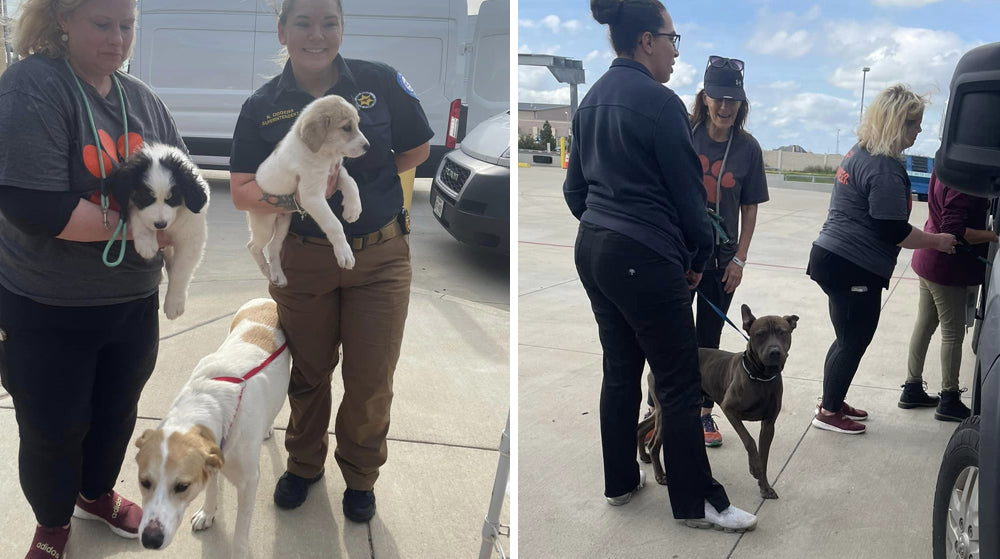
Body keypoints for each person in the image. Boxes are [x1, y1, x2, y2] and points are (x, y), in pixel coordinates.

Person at [228, 0, 432, 523]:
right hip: (306, 258)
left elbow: (416, 150)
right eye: (303, 22)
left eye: (329, 22)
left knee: (370, 378)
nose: (316, 35)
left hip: (381, 257)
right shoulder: (263, 105)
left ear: (342, 28)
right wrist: (300, 197)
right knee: (311, 373)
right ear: (282, 30)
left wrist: (349, 166)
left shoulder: (378, 82)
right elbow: (242, 191)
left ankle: (361, 477)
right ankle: (303, 465)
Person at [0, 0, 186, 557]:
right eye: (101, 24)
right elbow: (36, 208)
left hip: (130, 302)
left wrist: (171, 232)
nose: (116, 39)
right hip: (45, 305)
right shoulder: (33, 85)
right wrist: (143, 231)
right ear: (62, 19)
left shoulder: (143, 100)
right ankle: (53, 523)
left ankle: (96, 494)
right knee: (52, 429)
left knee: (114, 412)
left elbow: (182, 186)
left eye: (126, 25)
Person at [564, 0, 757, 531]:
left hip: (594, 248)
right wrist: (696, 260)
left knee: (620, 368)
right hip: (644, 256)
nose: (675, 51)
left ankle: (620, 482)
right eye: (673, 39)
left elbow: (574, 191)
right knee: (677, 379)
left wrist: (606, 226)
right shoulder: (661, 103)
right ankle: (699, 503)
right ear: (647, 40)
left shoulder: (592, 100)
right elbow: (691, 202)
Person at [808, 84, 957, 435]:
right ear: (894, 123)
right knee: (854, 340)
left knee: (845, 337)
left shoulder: (859, 152)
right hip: (852, 265)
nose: (918, 130)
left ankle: (832, 399)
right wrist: (937, 241)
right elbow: (894, 231)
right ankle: (828, 412)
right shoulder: (885, 168)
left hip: (831, 257)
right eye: (913, 124)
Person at [687, 55, 768, 447]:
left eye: (732, 99)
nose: (724, 107)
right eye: (717, 97)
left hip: (722, 261)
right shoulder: (683, 133)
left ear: (742, 103)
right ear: (704, 98)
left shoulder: (748, 148)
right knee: (672, 330)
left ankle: (703, 412)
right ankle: (661, 404)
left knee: (709, 337)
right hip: (681, 254)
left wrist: (740, 257)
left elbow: (750, 206)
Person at [898, 170, 995, 420]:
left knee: (925, 323)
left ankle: (912, 387)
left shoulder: (946, 167)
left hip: (927, 258)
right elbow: (955, 230)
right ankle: (949, 398)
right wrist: (994, 236)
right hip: (946, 267)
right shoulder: (966, 180)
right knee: (952, 334)